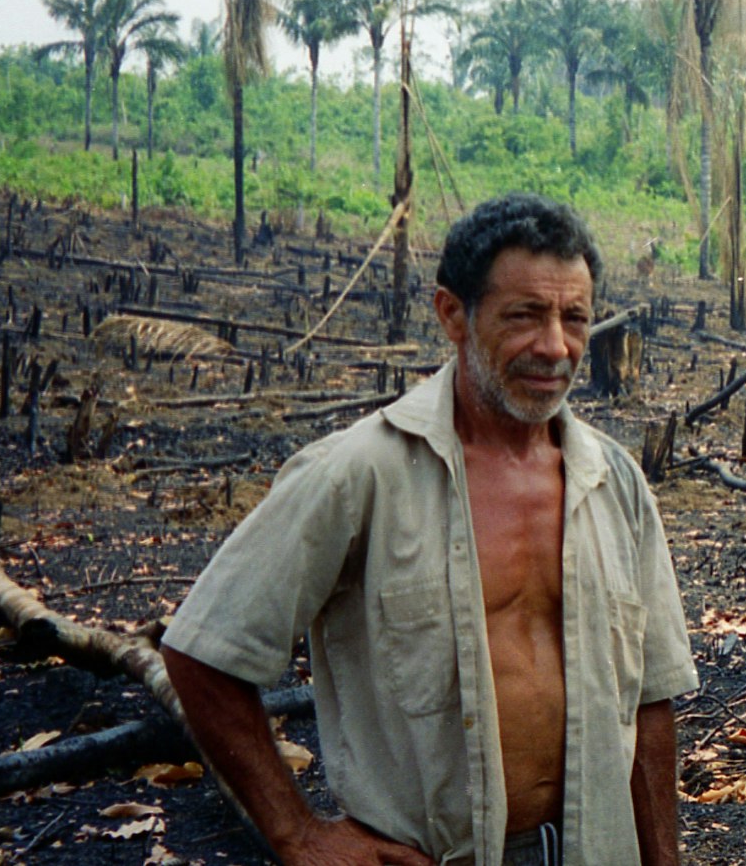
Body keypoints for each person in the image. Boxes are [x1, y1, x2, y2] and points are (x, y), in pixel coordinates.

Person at [161, 193, 699, 866]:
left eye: (575, 317)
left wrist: (665, 859)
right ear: (453, 313)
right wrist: (297, 832)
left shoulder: (613, 482)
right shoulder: (362, 471)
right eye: (524, 315)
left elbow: (649, 698)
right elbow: (202, 649)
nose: (555, 346)